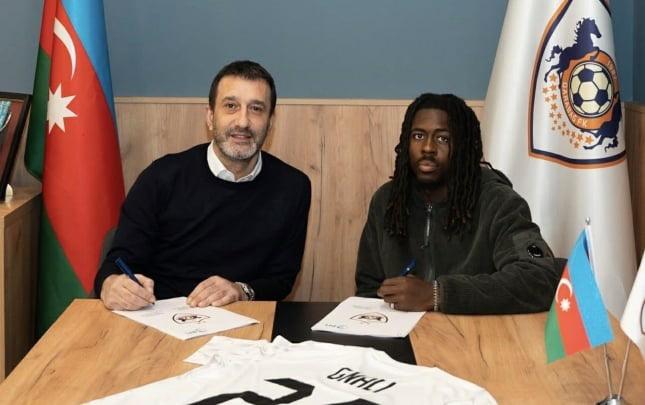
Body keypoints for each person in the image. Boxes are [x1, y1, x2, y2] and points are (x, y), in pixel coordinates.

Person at [95, 60, 311, 310]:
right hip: (161, 317)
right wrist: (111, 284)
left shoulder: (293, 187)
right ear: (210, 117)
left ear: (270, 122)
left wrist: (240, 290)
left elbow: (282, 279)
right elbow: (117, 263)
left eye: (256, 109)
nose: (243, 121)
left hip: (245, 320)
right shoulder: (161, 177)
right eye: (231, 106)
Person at [355, 93, 559, 314]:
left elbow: (539, 278)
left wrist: (438, 294)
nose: (428, 148)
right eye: (418, 136)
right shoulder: (387, 201)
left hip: (477, 332)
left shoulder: (498, 202)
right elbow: (369, 289)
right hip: (399, 331)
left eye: (443, 138)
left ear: (463, 146)